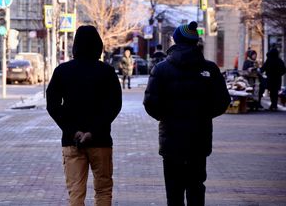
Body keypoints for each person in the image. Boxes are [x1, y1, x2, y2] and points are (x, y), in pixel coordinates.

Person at [143, 21, 230, 206]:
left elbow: (150, 103)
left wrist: (165, 117)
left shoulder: (161, 69)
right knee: (196, 187)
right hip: (199, 138)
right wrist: (204, 115)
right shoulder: (210, 69)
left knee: (173, 190)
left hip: (171, 140)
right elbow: (223, 101)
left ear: (175, 41)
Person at [46, 25, 122, 206]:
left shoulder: (62, 71)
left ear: (75, 46)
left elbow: (53, 105)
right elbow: (114, 105)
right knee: (103, 190)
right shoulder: (106, 72)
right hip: (101, 140)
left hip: (72, 141)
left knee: (76, 192)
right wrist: (93, 131)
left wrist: (74, 131)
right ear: (98, 45)